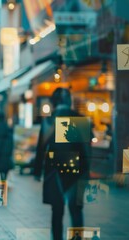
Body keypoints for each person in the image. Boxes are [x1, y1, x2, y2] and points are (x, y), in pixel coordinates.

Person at [34, 88, 91, 240]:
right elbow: (87, 148)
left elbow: (41, 147)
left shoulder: (49, 120)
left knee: (57, 210)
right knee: (76, 209)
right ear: (69, 101)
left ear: (53, 102)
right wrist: (87, 171)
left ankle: (57, 238)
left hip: (54, 169)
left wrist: (37, 170)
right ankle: (77, 237)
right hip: (77, 168)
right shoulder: (80, 118)